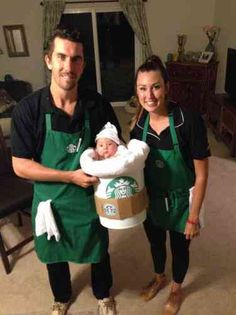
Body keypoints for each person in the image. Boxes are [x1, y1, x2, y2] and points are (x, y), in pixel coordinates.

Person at [10, 26, 121, 315]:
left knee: (98, 250)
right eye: (61, 57)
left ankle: (103, 294)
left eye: (76, 59)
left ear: (83, 63)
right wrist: (68, 176)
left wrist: (108, 152)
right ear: (48, 60)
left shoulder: (97, 105)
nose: (68, 66)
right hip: (51, 200)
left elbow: (116, 146)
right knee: (53, 254)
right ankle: (61, 298)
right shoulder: (28, 110)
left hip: (88, 200)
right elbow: (20, 166)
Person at [130, 55, 210, 315]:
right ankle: (158, 276)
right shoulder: (138, 126)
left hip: (180, 203)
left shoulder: (188, 121)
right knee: (155, 244)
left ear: (166, 87)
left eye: (155, 86)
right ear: (137, 91)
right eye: (143, 88)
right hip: (151, 200)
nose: (149, 95)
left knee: (179, 248)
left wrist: (193, 216)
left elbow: (201, 175)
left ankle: (176, 288)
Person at [80, 122, 150, 230]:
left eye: (109, 144)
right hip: (107, 207)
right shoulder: (97, 159)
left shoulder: (122, 154)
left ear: (117, 145)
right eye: (101, 145)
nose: (105, 148)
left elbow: (126, 161)